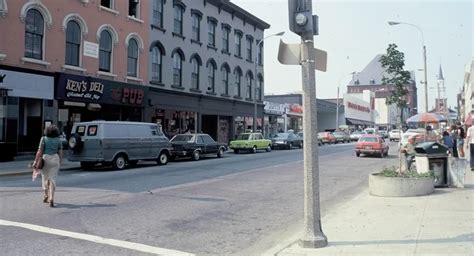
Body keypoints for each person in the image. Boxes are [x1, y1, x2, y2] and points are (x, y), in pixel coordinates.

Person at [33, 125, 63, 207]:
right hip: (55, 159)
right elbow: (60, 152)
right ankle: (51, 197)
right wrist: (60, 161)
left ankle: (46, 195)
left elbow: (40, 151)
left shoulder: (43, 139)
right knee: (53, 179)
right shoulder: (59, 140)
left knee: (45, 178)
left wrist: (35, 161)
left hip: (45, 159)